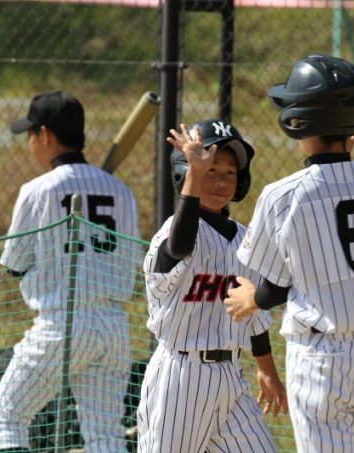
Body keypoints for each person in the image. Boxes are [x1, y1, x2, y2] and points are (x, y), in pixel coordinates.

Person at [223, 54, 354, 453]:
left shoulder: (283, 194)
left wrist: (250, 300)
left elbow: (276, 287)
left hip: (320, 356)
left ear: (300, 120)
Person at [0, 91, 141, 453]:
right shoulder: (121, 191)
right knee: (105, 435)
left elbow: (14, 265)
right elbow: (132, 259)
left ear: (44, 134)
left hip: (62, 322)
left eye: (30, 133)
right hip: (114, 327)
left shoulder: (38, 189)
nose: (29, 141)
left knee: (8, 418)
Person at [137, 119, 288, 453]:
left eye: (230, 172)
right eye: (210, 169)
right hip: (180, 375)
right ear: (186, 173)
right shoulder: (174, 232)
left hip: (231, 376)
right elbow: (180, 246)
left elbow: (252, 313)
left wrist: (266, 370)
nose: (221, 180)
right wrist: (195, 173)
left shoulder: (244, 238)